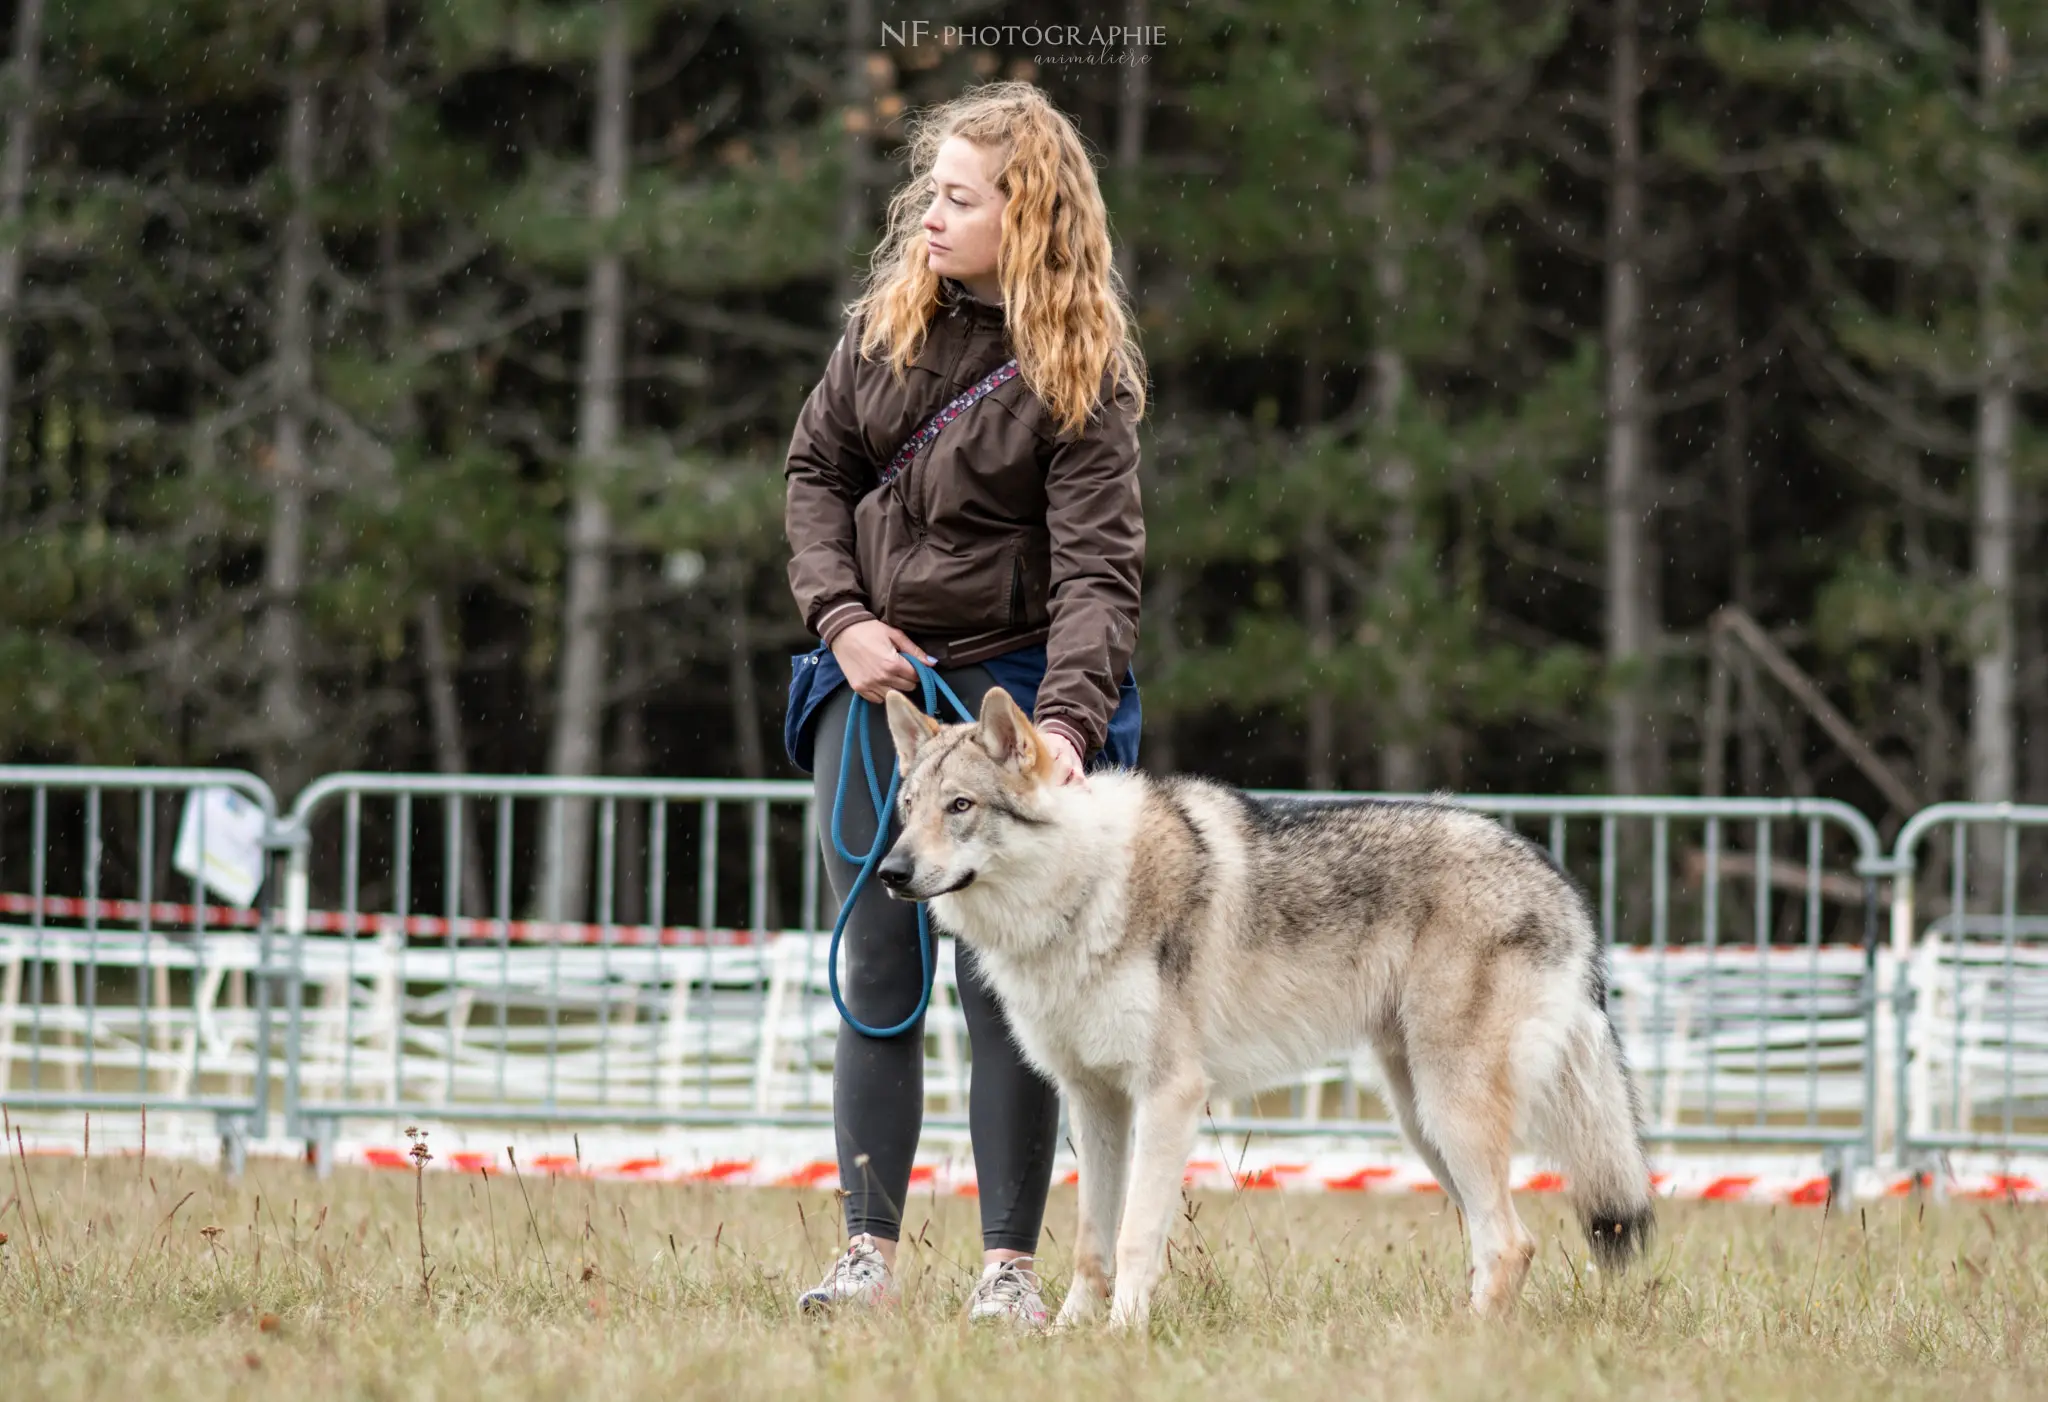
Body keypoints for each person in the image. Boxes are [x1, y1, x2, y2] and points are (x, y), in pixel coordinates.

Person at [780, 80, 1147, 1328]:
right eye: (926, 194)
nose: (926, 216)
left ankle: (1010, 1272)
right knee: (878, 967)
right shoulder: (882, 331)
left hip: (1011, 716)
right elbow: (813, 474)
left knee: (1013, 992)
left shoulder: (1082, 377)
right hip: (872, 694)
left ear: (1026, 215)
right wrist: (842, 622)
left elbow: (1101, 574)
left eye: (956, 197)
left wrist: (1063, 729)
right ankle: (866, 1259)